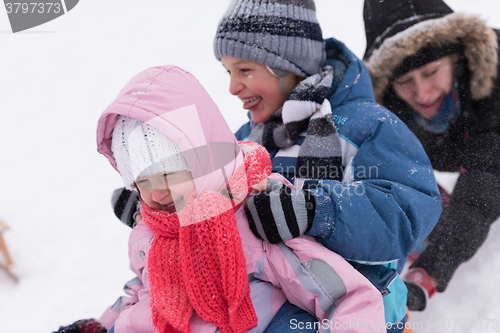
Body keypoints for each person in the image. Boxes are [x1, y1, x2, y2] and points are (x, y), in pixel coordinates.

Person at [55, 65, 385, 333]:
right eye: (143, 181)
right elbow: (141, 291)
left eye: (169, 174)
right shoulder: (149, 232)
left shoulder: (252, 217)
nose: (156, 193)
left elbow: (343, 295)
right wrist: (101, 327)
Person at [212, 0, 442, 331]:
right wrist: (156, 196)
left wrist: (316, 210)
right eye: (228, 71)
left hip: (361, 315)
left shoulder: (366, 125)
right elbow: (208, 199)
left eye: (245, 70)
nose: (232, 87)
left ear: (288, 65)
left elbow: (406, 211)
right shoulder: (248, 140)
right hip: (271, 310)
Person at [362, 0, 500, 311]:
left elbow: (487, 174)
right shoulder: (386, 105)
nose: (422, 94)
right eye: (405, 82)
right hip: (464, 150)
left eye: (431, 72)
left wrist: (432, 270)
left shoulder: (495, 75)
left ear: (457, 56)